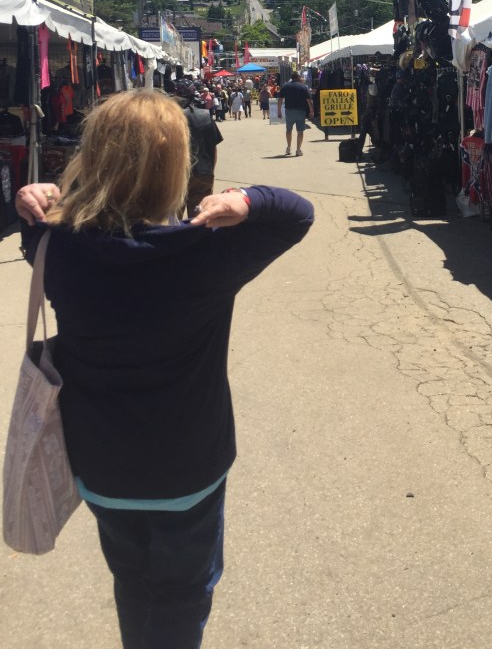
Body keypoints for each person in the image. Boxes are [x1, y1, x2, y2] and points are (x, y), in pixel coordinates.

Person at [14, 89, 314, 649]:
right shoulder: (204, 251)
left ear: (91, 157)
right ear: (177, 164)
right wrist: (245, 198)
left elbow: (35, 216)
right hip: (188, 469)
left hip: (100, 466)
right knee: (183, 593)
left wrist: (36, 194)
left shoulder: (59, 250)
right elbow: (297, 213)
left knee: (131, 582)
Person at [173, 79, 224, 217]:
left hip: (177, 175)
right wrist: (210, 172)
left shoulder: (170, 117)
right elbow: (213, 149)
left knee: (173, 219)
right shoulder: (206, 115)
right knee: (198, 218)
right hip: (203, 173)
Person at [277, 71, 314, 157]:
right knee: (300, 131)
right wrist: (311, 110)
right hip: (300, 111)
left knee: (289, 130)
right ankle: (298, 150)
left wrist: (279, 111)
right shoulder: (303, 87)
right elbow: (309, 100)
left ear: (291, 77)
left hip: (289, 111)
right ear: (298, 77)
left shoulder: (286, 86)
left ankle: (289, 147)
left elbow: (280, 99)